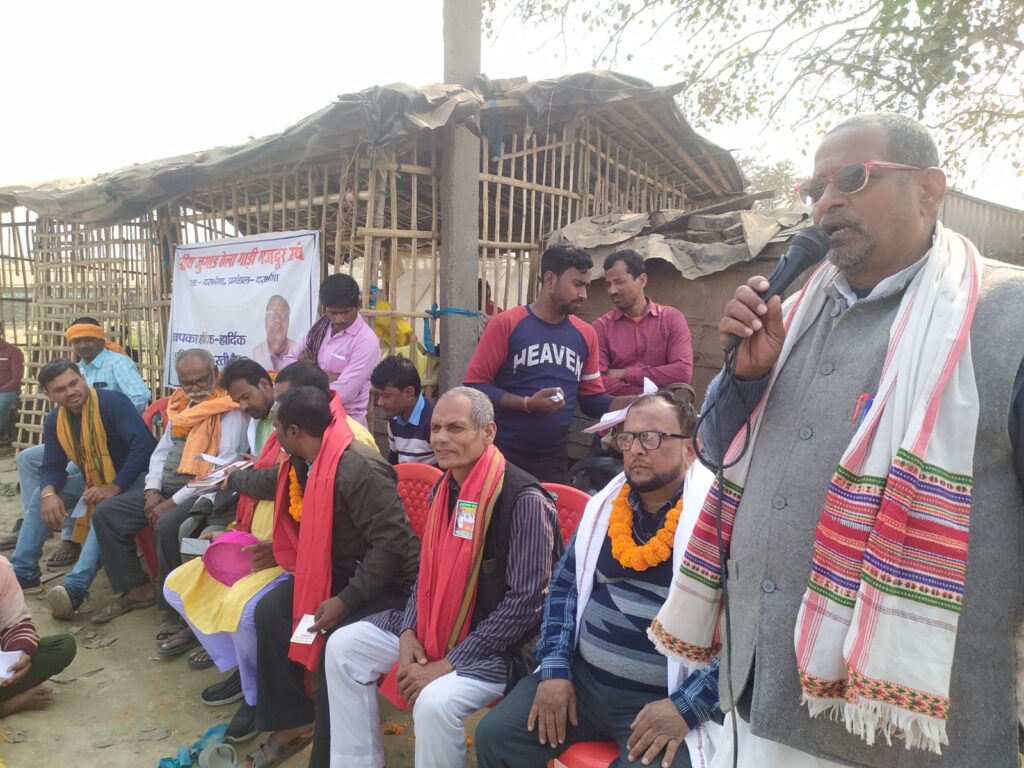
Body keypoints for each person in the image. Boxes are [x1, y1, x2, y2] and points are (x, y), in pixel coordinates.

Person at [650, 113, 1024, 768]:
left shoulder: (1006, 317)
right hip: (759, 694)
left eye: (852, 178)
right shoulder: (791, 313)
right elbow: (712, 449)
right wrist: (744, 377)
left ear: (929, 189)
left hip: (906, 734)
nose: (826, 202)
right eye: (815, 187)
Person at [475, 391, 722, 768]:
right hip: (584, 682)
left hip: (663, 698)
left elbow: (744, 640)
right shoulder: (604, 508)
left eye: (652, 437)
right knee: (496, 737)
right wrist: (555, 670)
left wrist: (685, 708)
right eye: (628, 437)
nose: (636, 449)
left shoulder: (718, 522)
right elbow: (564, 590)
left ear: (691, 449)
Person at [323, 387, 562, 768]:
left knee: (434, 703)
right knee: (344, 647)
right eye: (436, 428)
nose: (441, 439)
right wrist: (407, 632)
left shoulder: (523, 501)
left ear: (488, 432)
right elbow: (427, 574)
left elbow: (526, 605)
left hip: (498, 649)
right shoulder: (444, 488)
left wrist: (449, 662)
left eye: (456, 428)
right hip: (434, 627)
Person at [227, 385, 419, 767]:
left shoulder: (357, 467)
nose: (274, 436)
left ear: (294, 431)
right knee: (271, 612)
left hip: (387, 584)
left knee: (334, 644)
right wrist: (231, 479)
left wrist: (346, 600)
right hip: (334, 572)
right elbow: (270, 483)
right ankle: (293, 721)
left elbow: (392, 545)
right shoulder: (303, 460)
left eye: (277, 428)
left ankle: (329, 757)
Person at [162, 357, 293, 742]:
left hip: (283, 551)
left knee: (244, 611)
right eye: (238, 400)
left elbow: (284, 489)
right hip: (253, 535)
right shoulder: (268, 426)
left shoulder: (313, 435)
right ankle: (243, 668)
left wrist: (279, 547)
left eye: (246, 397)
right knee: (176, 586)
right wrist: (231, 532)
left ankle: (255, 694)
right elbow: (259, 483)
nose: (243, 406)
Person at [90, 349, 247, 636]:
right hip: (167, 489)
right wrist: (152, 490)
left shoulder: (229, 409)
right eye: (187, 383)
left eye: (201, 380)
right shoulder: (179, 406)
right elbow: (161, 453)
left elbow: (221, 470)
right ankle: (136, 589)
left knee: (167, 526)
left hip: (203, 494)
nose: (195, 388)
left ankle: (173, 609)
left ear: (215, 374)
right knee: (107, 513)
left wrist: (172, 502)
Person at [464, 246, 630, 483]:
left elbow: (591, 400)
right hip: (500, 458)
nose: (583, 294)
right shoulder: (506, 324)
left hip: (553, 463)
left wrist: (630, 403)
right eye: (577, 284)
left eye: (586, 286)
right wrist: (526, 404)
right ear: (550, 279)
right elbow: (475, 387)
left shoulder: (585, 334)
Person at [8, 359, 155, 619]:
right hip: (94, 479)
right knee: (42, 496)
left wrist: (115, 486)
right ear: (48, 394)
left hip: (139, 476)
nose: (70, 392)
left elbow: (144, 447)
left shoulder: (113, 403)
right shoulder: (56, 420)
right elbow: (52, 465)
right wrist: (49, 493)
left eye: (73, 383)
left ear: (83, 379)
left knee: (107, 509)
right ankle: (24, 572)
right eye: (60, 389)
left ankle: (75, 587)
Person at [4, 317, 151, 561]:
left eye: (88, 339)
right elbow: (55, 453)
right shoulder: (75, 369)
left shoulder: (117, 363)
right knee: (28, 459)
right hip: (76, 438)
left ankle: (70, 537)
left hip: (112, 442)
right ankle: (45, 516)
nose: (83, 345)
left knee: (78, 470)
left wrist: (105, 422)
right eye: (77, 341)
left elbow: (140, 397)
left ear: (100, 338)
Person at [282, 273, 380, 429]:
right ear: (325, 308)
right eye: (333, 313)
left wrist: (307, 372)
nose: (339, 319)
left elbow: (344, 393)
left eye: (345, 312)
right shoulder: (318, 329)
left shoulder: (366, 341)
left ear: (359, 305)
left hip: (347, 424)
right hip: (311, 422)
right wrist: (324, 376)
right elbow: (287, 361)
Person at [592, 249, 693, 395]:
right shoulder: (600, 328)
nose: (612, 290)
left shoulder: (671, 319)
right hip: (619, 410)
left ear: (642, 280)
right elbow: (598, 381)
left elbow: (682, 372)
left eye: (619, 282)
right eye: (608, 284)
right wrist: (650, 395)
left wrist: (625, 374)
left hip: (661, 410)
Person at [0, 556, 76, 717]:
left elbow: (15, 624)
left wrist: (22, 654)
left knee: (62, 646)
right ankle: (9, 705)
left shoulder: (2, 569)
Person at [370, 355, 436, 466]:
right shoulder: (394, 421)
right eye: (379, 396)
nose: (380, 402)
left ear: (409, 393)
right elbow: (395, 463)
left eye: (386, 396)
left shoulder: (433, 424)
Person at [251, 295, 300, 372]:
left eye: (283, 314)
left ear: (289, 321)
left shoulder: (299, 352)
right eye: (272, 314)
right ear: (265, 322)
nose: (278, 320)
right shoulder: (254, 354)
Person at [0, 323, 24, 443]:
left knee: (2, 402)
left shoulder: (13, 351)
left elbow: (17, 379)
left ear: (1, 331)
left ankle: (3, 435)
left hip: (10, 392)